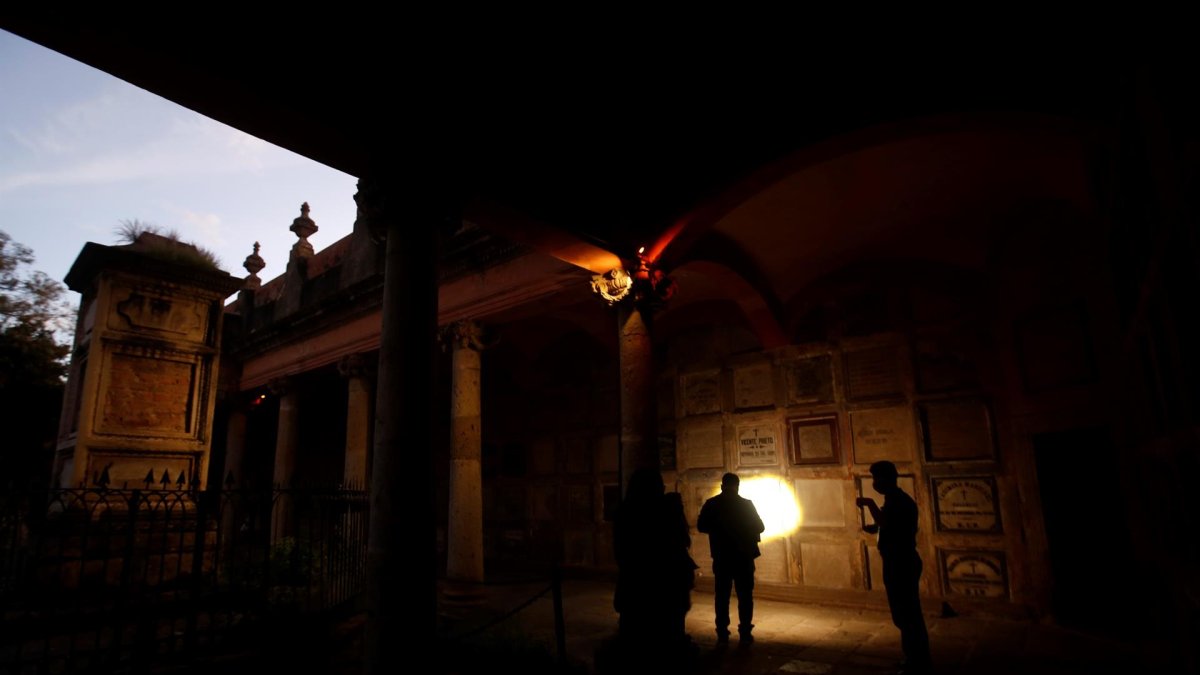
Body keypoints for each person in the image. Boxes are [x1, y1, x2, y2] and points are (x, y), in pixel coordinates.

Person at [856, 461, 932, 675]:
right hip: (896, 560)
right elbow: (890, 525)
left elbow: (890, 524)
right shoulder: (893, 500)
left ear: (888, 478)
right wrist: (876, 527)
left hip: (902, 562)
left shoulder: (899, 501)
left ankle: (918, 662)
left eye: (876, 478)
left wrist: (870, 504)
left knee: (908, 615)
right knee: (903, 614)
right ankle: (914, 658)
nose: (874, 483)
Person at [697, 472, 765, 644]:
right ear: (738, 486)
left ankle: (722, 631)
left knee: (722, 595)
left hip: (722, 556)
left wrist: (719, 528)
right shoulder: (746, 505)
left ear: (722, 486)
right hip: (743, 557)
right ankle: (745, 630)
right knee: (745, 595)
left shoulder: (712, 504)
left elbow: (701, 526)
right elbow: (760, 527)